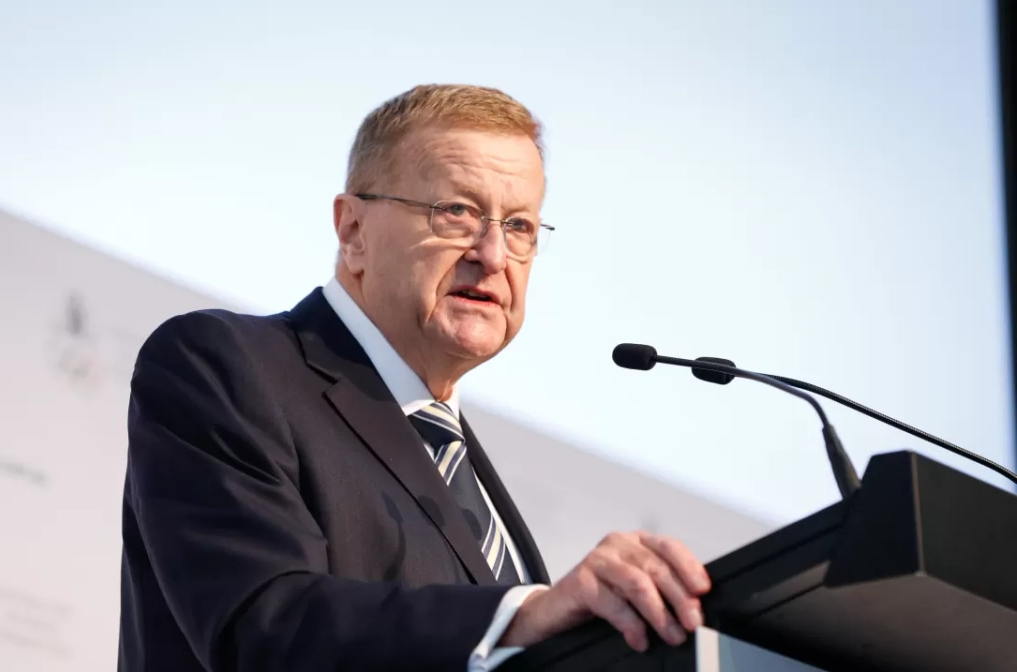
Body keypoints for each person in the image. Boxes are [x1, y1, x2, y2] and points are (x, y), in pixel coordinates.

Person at [117, 84, 711, 672]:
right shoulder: (224, 365)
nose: (494, 255)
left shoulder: (459, 464)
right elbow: (267, 624)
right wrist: (524, 616)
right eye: (457, 212)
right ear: (353, 231)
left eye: (520, 227)